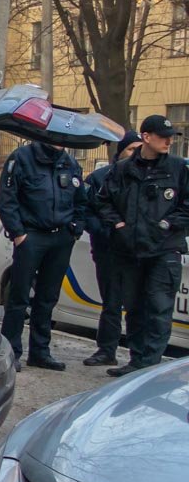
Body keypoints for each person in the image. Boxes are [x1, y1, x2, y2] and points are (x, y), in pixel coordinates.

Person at [92, 115, 189, 377]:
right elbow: (102, 201)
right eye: (163, 136)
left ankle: (149, 366)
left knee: (159, 307)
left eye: (171, 137)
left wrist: (167, 224)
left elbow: (186, 207)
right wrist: (119, 225)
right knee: (133, 308)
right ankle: (136, 362)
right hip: (129, 250)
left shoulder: (178, 168)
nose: (169, 141)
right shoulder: (123, 169)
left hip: (164, 249)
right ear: (146, 137)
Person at [0, 140, 86, 371]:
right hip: (31, 236)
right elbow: (6, 199)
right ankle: (11, 352)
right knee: (18, 298)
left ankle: (40, 352)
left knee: (47, 298)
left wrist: (75, 229)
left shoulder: (70, 162)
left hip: (61, 238)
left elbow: (81, 201)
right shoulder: (23, 158)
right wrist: (18, 234)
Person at [81, 131, 143, 367]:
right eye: (130, 149)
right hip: (109, 250)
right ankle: (107, 350)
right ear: (120, 153)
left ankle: (140, 357)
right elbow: (87, 211)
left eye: (139, 148)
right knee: (111, 303)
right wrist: (109, 233)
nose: (135, 154)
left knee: (139, 305)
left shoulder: (149, 176)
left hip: (139, 252)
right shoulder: (100, 177)